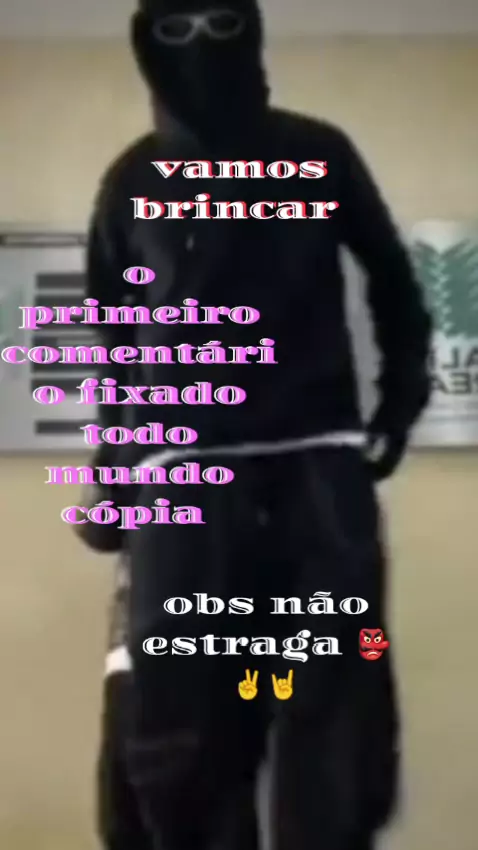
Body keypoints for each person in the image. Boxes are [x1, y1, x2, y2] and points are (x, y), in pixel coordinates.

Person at [82, 1, 432, 849]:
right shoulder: (132, 180)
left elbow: (395, 285)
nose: (202, 46)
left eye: (222, 23)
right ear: (146, 45)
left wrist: (398, 407)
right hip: (182, 475)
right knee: (185, 706)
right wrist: (113, 476)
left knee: (332, 685)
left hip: (315, 469)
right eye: (176, 29)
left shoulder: (318, 152)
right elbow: (114, 343)